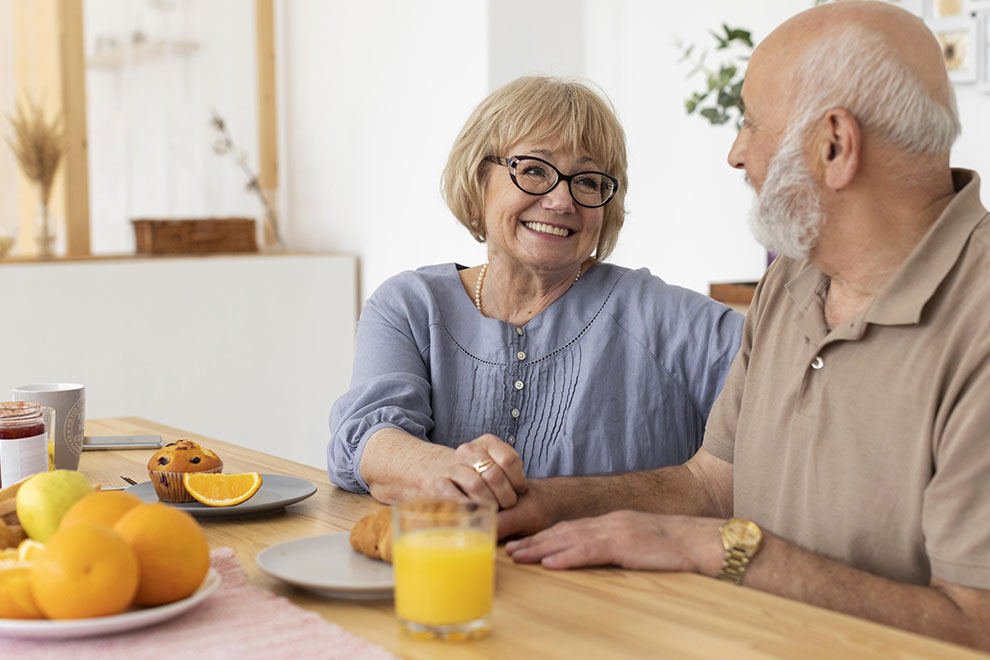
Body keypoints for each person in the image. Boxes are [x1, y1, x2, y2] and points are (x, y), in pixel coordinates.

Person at [500, 2, 990, 650]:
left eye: (751, 124)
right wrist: (544, 502)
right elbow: (711, 485)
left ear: (834, 145)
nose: (736, 153)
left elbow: (975, 623)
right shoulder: (793, 279)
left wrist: (720, 550)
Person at [327, 76, 743, 510]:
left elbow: (789, 387)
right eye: (533, 170)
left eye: (587, 181)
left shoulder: (663, 316)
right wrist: (449, 472)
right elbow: (368, 441)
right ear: (477, 180)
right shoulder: (411, 306)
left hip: (619, 579)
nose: (562, 201)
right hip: (448, 572)